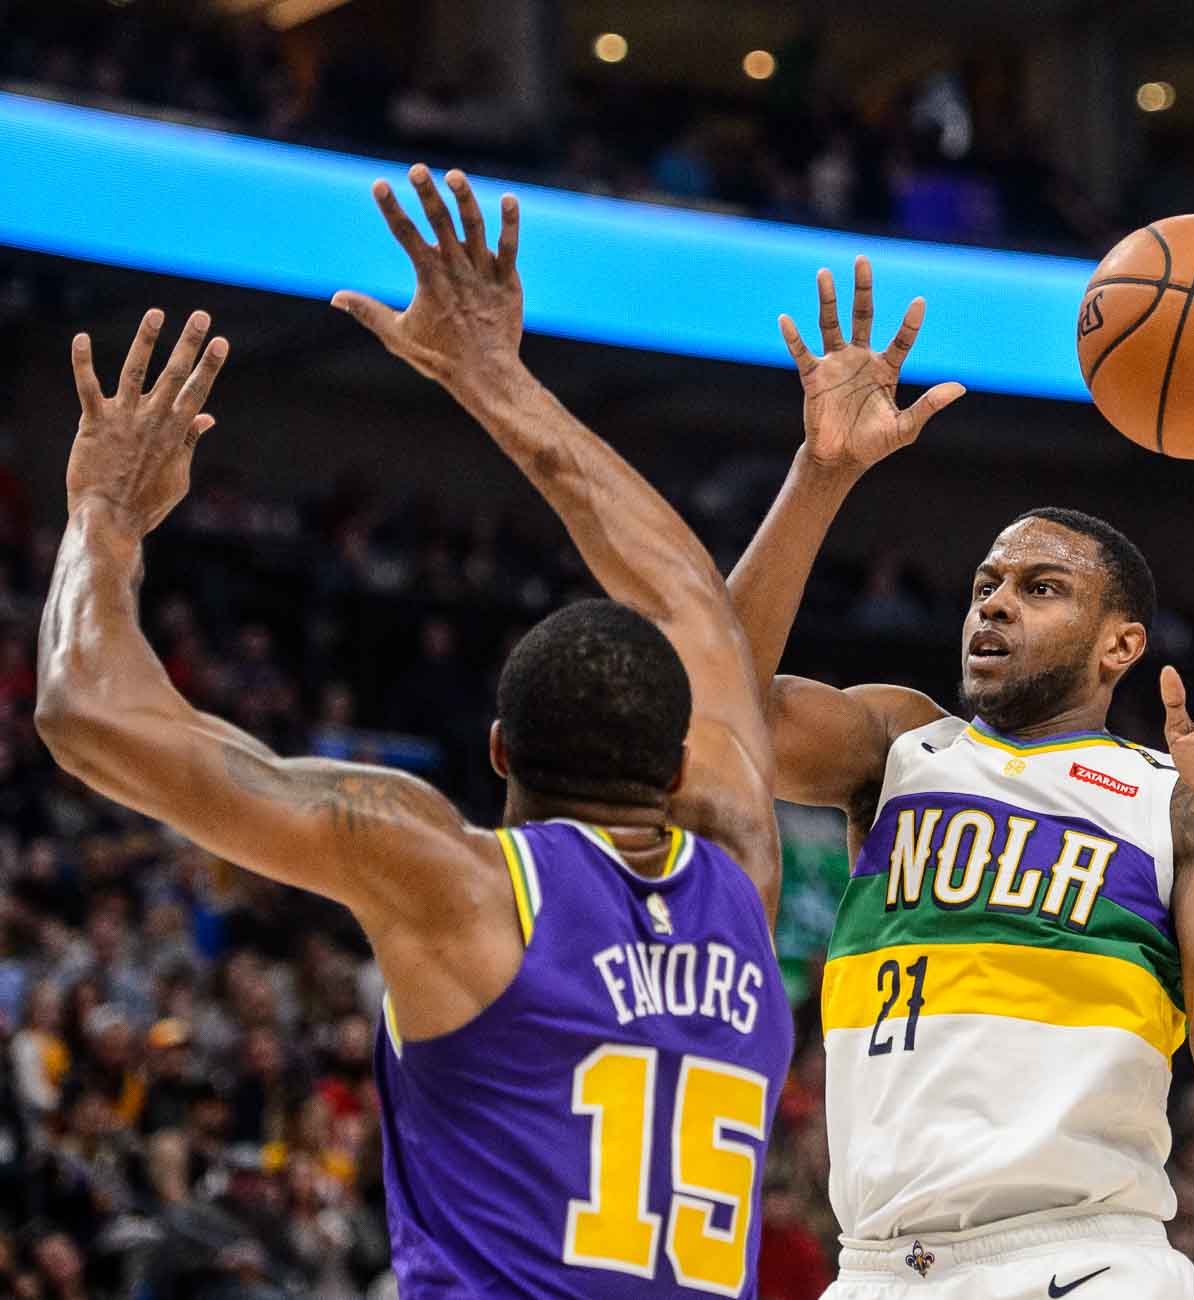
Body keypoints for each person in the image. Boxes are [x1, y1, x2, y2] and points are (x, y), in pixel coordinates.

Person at [38, 165, 790, 1298]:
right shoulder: (743, 865)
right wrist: (499, 379)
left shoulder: (454, 879)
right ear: (681, 762)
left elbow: (86, 710)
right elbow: (689, 595)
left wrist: (104, 516)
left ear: (498, 750)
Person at [727, 258, 1194, 1298]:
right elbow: (722, 707)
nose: (993, 605)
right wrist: (822, 475)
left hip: (1079, 1260)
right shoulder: (900, 747)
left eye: (1040, 588)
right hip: (878, 1266)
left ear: (1120, 644)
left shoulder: (1167, 798)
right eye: (986, 584)